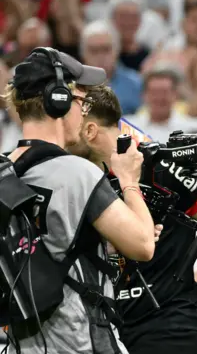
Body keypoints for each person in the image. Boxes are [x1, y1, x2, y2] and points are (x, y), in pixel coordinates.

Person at [64, 84, 197, 354]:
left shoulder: (159, 166)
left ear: (89, 130)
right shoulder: (75, 179)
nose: (61, 138)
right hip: (106, 328)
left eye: (67, 126)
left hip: (170, 329)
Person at [2, 47, 156, 353]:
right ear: (57, 101)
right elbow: (143, 244)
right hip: (80, 341)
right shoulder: (77, 173)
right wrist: (128, 181)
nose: (83, 110)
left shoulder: (5, 172)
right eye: (80, 100)